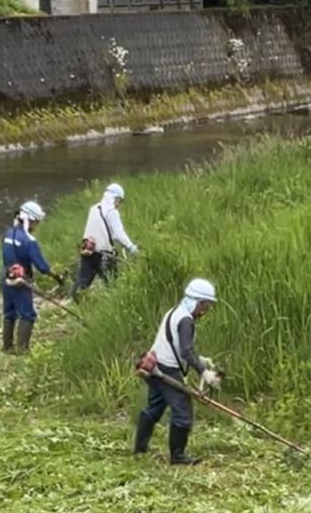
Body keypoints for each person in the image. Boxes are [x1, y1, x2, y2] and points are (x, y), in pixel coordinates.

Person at [134, 278, 223, 465]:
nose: (205, 310)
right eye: (205, 305)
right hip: (166, 369)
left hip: (155, 364)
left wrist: (200, 360)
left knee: (154, 408)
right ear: (197, 302)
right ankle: (177, 455)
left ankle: (139, 449)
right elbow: (186, 351)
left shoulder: (175, 312)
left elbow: (176, 345)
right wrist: (204, 372)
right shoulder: (186, 320)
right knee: (183, 413)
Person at [0, 200, 60, 354]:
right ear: (31, 220)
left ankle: (7, 347)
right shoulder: (29, 241)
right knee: (27, 314)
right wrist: (57, 276)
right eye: (37, 222)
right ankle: (22, 349)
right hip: (21, 282)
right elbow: (42, 267)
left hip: (6, 277)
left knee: (9, 312)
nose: (37, 225)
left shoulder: (7, 235)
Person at [73, 182, 138, 297]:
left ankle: (74, 301)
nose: (119, 205)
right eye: (119, 201)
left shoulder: (93, 209)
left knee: (82, 284)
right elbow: (118, 234)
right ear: (115, 198)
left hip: (88, 251)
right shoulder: (111, 212)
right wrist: (131, 247)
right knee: (113, 287)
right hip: (104, 256)